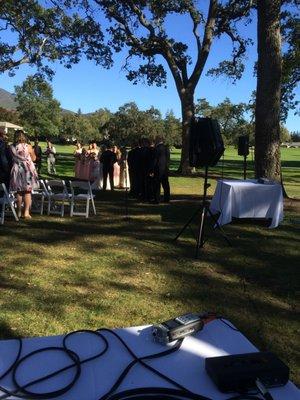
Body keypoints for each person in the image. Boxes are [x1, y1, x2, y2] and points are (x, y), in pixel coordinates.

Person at [9, 130, 39, 219]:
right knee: (27, 191)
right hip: (27, 170)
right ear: (24, 136)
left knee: (19, 192)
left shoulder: (11, 147)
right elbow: (34, 158)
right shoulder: (28, 146)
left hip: (17, 169)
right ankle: (26, 213)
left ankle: (18, 212)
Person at [150, 136, 170, 204]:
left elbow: (155, 160)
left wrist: (152, 169)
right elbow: (168, 160)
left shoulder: (157, 149)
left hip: (158, 169)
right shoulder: (166, 148)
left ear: (158, 140)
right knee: (165, 184)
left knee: (157, 184)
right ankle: (167, 198)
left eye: (155, 140)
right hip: (165, 169)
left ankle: (157, 199)